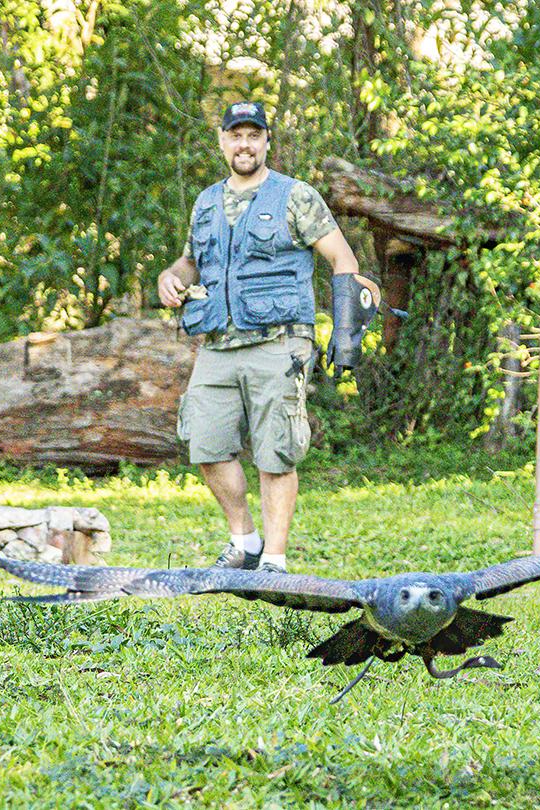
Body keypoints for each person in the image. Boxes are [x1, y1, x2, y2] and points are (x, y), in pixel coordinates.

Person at [158, 101, 377, 573]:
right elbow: (191, 261)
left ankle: (274, 560)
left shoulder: (295, 196)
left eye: (253, 135)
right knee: (205, 442)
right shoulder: (206, 202)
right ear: (222, 142)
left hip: (280, 342)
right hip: (217, 343)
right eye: (236, 135)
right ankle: (245, 541)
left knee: (276, 450)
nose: (244, 144)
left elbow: (343, 259)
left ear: (266, 142)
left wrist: (344, 332)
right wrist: (170, 277)